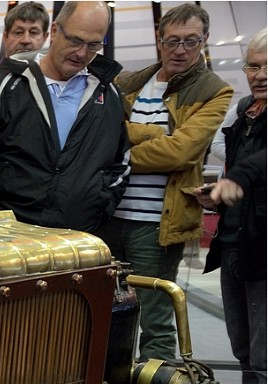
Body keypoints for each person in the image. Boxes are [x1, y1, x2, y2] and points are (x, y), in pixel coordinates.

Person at [99, 3, 231, 361]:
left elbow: (180, 152)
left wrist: (121, 151)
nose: (181, 50)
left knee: (155, 320)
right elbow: (102, 134)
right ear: (159, 41)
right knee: (103, 316)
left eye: (191, 41)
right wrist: (154, 135)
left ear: (205, 41)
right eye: (173, 41)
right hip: (108, 217)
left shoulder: (214, 90)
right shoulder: (128, 82)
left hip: (158, 226)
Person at [0, 1, 129, 234]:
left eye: (93, 45)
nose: (82, 53)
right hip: (7, 232)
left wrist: (101, 208)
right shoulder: (5, 87)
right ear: (54, 31)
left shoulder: (108, 94)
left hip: (78, 235)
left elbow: (120, 162)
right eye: (75, 40)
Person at [199, 29, 266, 384]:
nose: (259, 75)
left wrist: (236, 179)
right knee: (244, 348)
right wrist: (216, 197)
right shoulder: (246, 114)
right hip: (237, 246)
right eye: (253, 66)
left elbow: (259, 166)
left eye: (267, 67)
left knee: (264, 353)